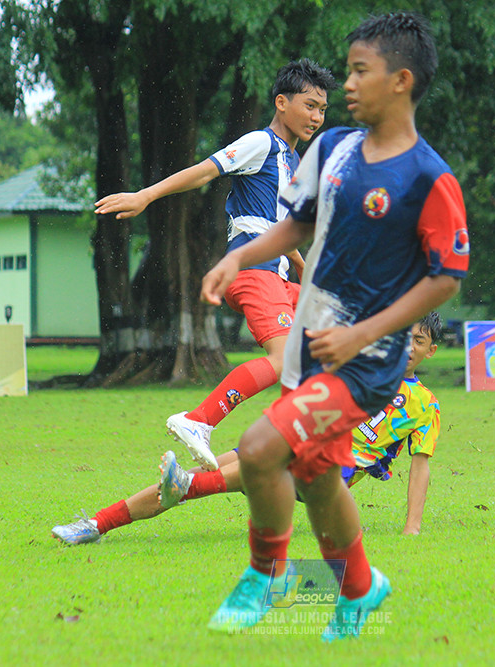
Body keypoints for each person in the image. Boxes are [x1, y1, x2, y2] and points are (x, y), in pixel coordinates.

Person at [198, 13, 468, 641]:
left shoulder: (430, 178)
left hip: (366, 359)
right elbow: (295, 225)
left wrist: (361, 334)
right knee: (316, 478)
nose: (346, 85)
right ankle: (361, 587)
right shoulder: (331, 149)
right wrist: (239, 257)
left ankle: (265, 574)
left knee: (260, 450)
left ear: (401, 80)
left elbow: (445, 280)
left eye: (359, 71)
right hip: (310, 344)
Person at [94, 59, 337, 472]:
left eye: (323, 109)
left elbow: (277, 226)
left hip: (276, 275)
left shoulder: (292, 162)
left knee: (329, 335)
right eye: (310, 105)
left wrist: (302, 264)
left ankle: (298, 432)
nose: (317, 117)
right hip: (254, 272)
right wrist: (145, 196)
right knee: (283, 358)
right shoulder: (261, 143)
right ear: (281, 103)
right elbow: (205, 171)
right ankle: (198, 421)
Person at [50, 313, 444, 545]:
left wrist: (412, 527)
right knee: (208, 472)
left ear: (431, 351)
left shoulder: (425, 404)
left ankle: (184, 486)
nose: (407, 347)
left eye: (418, 341)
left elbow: (420, 467)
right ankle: (97, 524)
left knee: (218, 475)